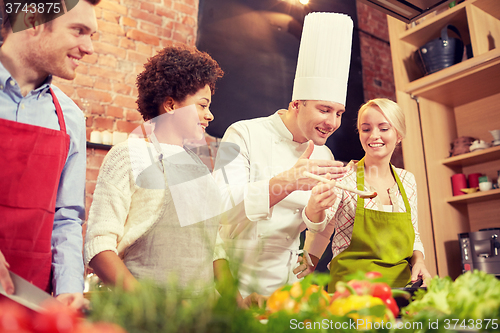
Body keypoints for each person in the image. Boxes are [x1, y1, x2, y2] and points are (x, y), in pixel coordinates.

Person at [84, 45, 263, 308]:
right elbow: (98, 246)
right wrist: (147, 304)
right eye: (202, 105)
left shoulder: (199, 169)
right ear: (170, 105)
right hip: (142, 317)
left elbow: (213, 249)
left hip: (198, 318)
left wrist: (238, 303)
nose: (210, 115)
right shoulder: (128, 155)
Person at [212, 12, 354, 297]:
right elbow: (222, 208)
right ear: (296, 104)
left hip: (288, 285)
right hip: (237, 281)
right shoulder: (242, 134)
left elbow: (314, 224)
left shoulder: (323, 155)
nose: (333, 122)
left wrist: (316, 212)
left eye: (339, 113)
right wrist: (287, 181)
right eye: (324, 110)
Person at [0, 0, 99, 309]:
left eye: (92, 34)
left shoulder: (70, 117)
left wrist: (69, 288)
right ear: (32, 20)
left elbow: (67, 217)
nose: (89, 48)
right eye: (79, 31)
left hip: (32, 304)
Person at [303, 98, 432, 290]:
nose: (374, 135)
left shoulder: (407, 180)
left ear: (398, 135)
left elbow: (414, 234)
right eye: (366, 129)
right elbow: (319, 225)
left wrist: (419, 261)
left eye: (384, 128)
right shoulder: (344, 178)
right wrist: (314, 205)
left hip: (401, 289)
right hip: (351, 291)